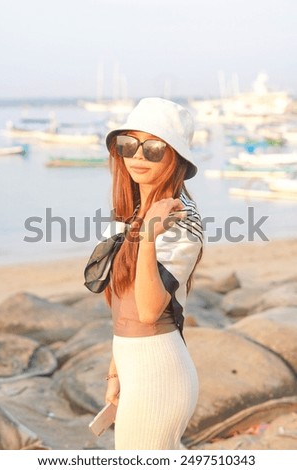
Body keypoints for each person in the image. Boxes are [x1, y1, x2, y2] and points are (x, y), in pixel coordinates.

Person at [93, 97, 203, 450]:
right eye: (128, 145)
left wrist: (150, 237)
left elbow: (148, 309)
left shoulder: (180, 217)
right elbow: (123, 302)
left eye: (154, 148)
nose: (138, 156)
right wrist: (116, 371)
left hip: (159, 370)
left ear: (178, 160)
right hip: (135, 364)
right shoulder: (136, 212)